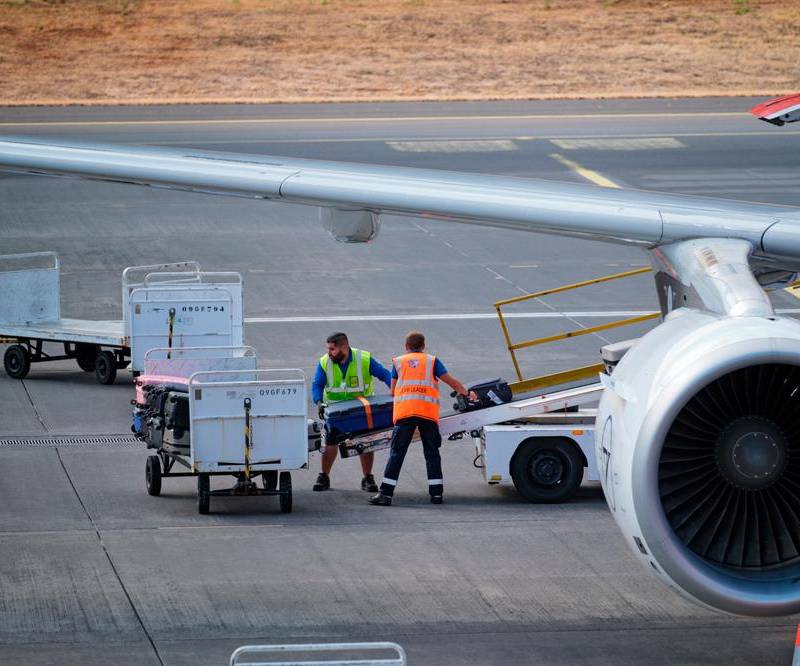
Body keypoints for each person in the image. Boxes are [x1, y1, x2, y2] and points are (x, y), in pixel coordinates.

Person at [368, 330, 475, 506]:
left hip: (405, 414)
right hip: (427, 414)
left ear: (406, 347)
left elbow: (393, 391)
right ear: (423, 346)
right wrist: (467, 393)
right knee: (432, 454)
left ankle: (386, 494)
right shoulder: (432, 361)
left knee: (397, 453)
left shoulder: (398, 362)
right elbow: (451, 382)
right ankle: (436, 494)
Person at [312, 331, 392, 492]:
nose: (329, 353)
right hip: (336, 412)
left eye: (332, 349)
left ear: (344, 348)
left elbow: (385, 375)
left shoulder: (364, 359)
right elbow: (317, 384)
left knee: (366, 442)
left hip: (361, 411)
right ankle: (324, 476)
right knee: (330, 442)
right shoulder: (324, 362)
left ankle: (368, 478)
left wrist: (396, 392)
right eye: (328, 349)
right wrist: (319, 402)